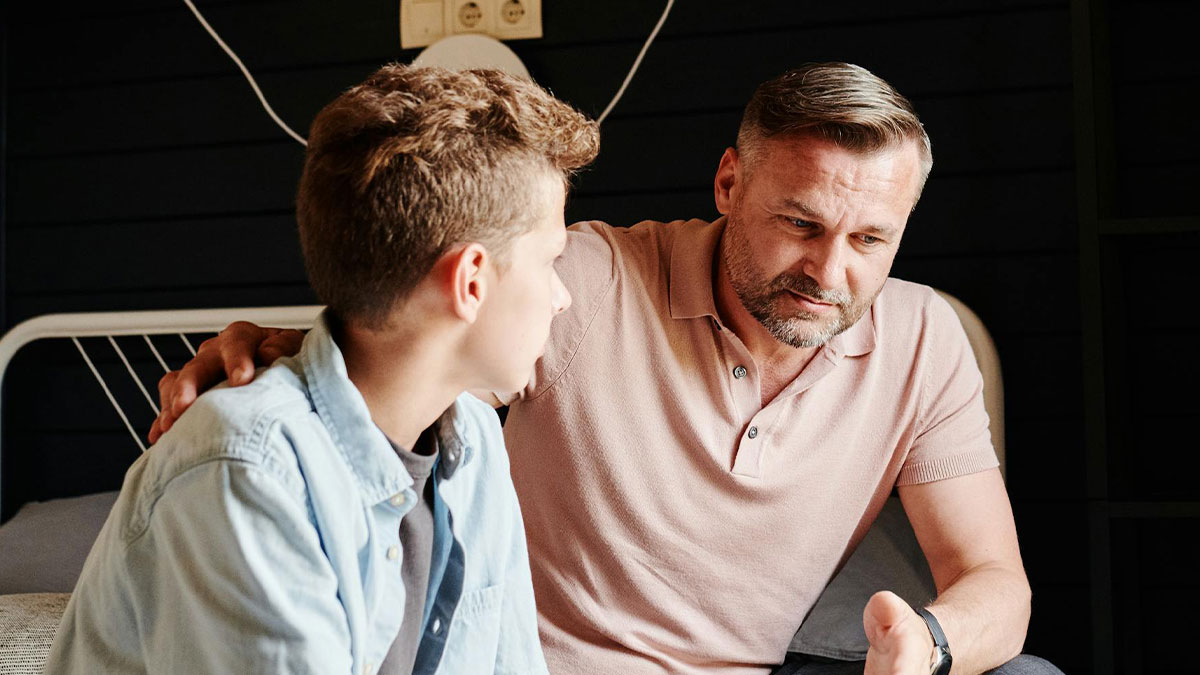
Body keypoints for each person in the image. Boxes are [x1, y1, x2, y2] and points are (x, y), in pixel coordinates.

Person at [153, 63, 1061, 675]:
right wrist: (294, 353)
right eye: (800, 223)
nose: (831, 272)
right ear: (728, 183)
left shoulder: (924, 337)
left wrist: (930, 642)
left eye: (871, 239)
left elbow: (997, 581)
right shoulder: (579, 279)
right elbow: (416, 341)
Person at [47, 64, 599, 674]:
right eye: (551, 260)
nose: (561, 296)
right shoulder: (249, 471)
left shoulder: (474, 445)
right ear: (469, 282)